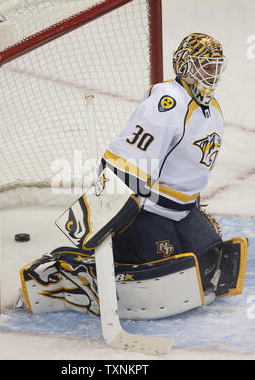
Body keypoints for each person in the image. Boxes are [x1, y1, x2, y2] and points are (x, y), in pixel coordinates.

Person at [19, 33, 248, 319]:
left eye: (216, 66)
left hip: (181, 211)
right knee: (168, 269)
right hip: (147, 212)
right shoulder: (169, 101)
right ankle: (73, 271)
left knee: (209, 263)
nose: (212, 74)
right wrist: (105, 214)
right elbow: (129, 159)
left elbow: (188, 167)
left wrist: (194, 207)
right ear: (185, 66)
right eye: (205, 65)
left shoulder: (211, 109)